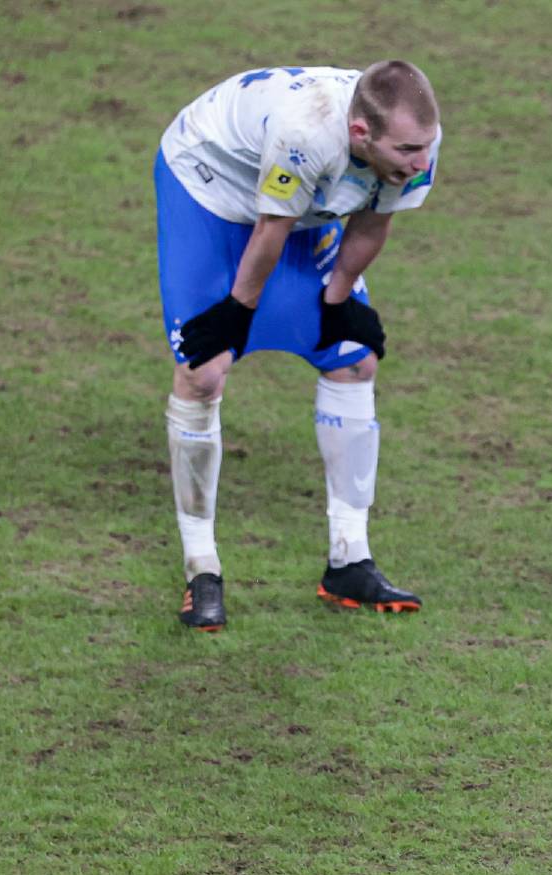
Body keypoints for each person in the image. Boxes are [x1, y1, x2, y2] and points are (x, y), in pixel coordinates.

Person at [156, 62, 441, 630]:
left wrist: (338, 303)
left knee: (354, 361)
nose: (422, 162)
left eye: (426, 147)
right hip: (209, 187)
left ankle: (349, 561)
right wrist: (237, 313)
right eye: (409, 149)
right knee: (204, 371)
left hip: (304, 200)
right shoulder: (305, 132)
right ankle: (201, 568)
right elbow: (270, 229)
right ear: (362, 134)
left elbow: (374, 219)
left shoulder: (415, 139)